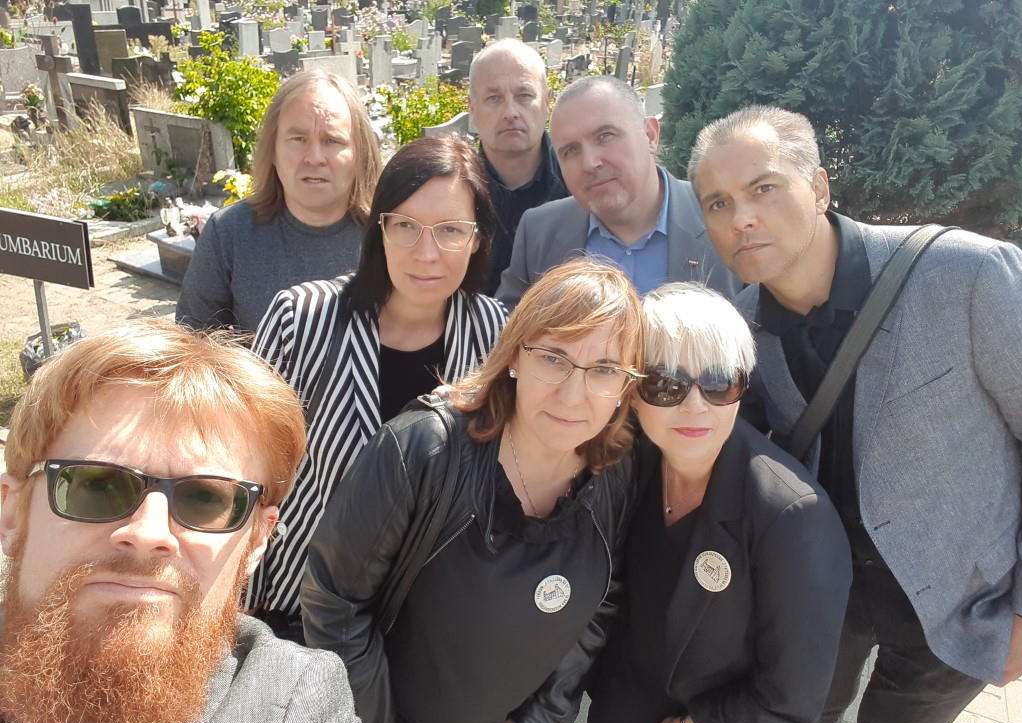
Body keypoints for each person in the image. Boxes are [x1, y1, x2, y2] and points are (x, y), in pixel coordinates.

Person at [687, 104, 1022, 723]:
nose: (740, 218)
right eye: (717, 203)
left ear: (818, 187)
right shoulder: (740, 328)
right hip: (823, 599)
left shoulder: (968, 275)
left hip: (959, 604)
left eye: (763, 188)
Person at [301, 260, 645, 723]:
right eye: (553, 358)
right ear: (514, 355)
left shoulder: (614, 471)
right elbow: (334, 606)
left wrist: (544, 722)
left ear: (625, 387)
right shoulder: (423, 450)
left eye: (604, 370)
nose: (574, 394)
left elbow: (602, 601)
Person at [0, 322, 360, 723]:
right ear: (13, 512)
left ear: (256, 541)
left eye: (205, 499)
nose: (149, 533)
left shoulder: (292, 704)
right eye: (97, 485)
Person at [248, 133, 508, 640]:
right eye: (406, 225)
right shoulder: (302, 318)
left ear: (477, 239)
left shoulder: (494, 336)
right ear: (380, 229)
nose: (426, 253)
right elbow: (244, 460)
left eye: (450, 230)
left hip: (420, 617)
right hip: (296, 604)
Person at [583, 283, 851, 723]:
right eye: (666, 383)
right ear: (633, 393)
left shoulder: (792, 518)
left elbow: (794, 695)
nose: (695, 406)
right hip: (625, 716)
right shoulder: (630, 465)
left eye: (719, 383)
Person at [496, 75, 740, 307]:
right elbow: (511, 332)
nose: (589, 163)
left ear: (650, 136)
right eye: (570, 151)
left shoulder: (724, 219)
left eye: (605, 136)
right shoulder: (539, 233)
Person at [176, 70, 382, 332]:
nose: (314, 158)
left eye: (332, 140)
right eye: (298, 139)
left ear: (360, 154)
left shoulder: (391, 233)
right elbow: (193, 338)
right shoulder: (228, 233)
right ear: (272, 149)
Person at [467, 39, 568, 295]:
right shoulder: (455, 190)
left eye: (524, 96)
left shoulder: (579, 184)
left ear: (547, 102)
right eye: (494, 98)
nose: (510, 112)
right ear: (473, 109)